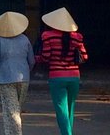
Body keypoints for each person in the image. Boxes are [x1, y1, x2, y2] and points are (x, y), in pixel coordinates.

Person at [36, 7, 88, 135]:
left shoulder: (48, 36)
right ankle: (68, 132)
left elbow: (46, 57)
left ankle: (67, 133)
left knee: (61, 110)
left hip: (57, 77)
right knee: (70, 109)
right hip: (75, 76)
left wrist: (37, 59)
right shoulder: (77, 37)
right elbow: (85, 57)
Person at [0, 11, 35, 135]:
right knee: (17, 109)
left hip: (6, 77)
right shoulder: (25, 39)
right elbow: (32, 60)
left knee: (10, 110)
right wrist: (27, 70)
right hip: (24, 77)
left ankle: (14, 132)